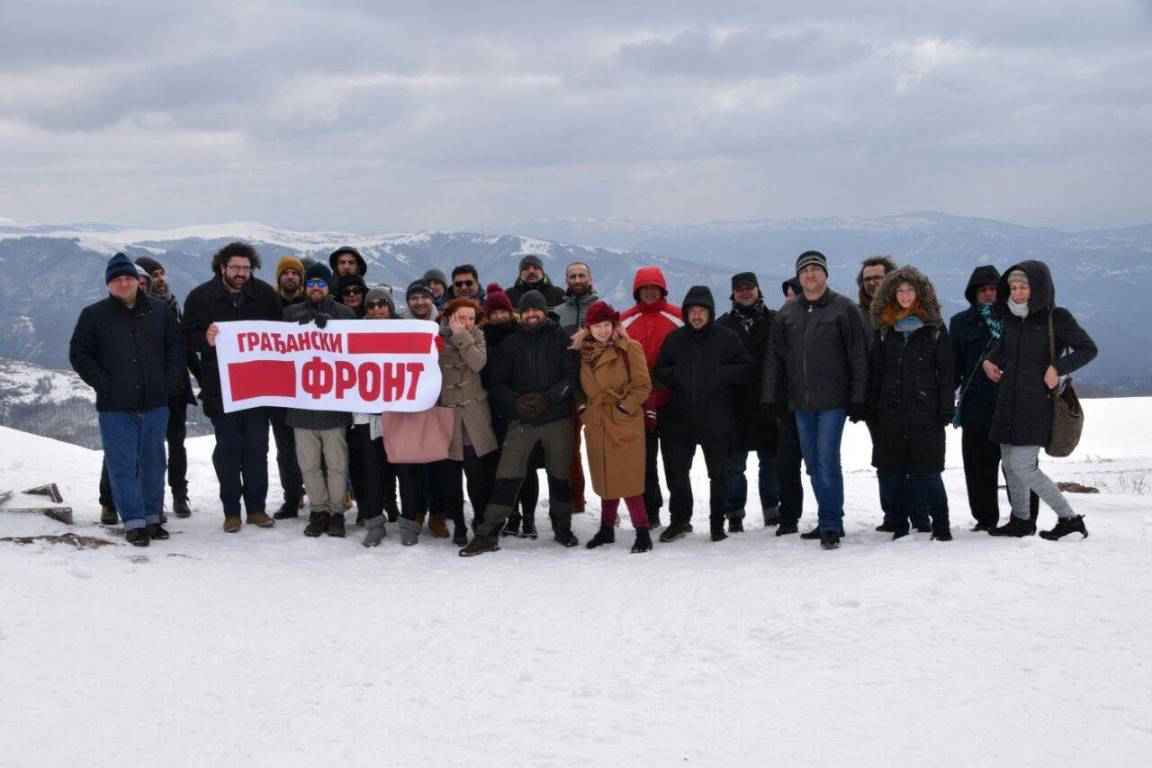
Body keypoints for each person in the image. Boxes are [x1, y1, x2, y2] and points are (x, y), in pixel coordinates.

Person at [70, 253, 186, 546]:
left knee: (154, 464)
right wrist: (104, 383)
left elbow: (176, 347)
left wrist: (168, 382)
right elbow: (79, 353)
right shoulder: (94, 315)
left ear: (138, 281)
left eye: (128, 278)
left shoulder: (160, 311)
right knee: (121, 465)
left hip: (155, 403)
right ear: (108, 284)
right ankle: (133, 522)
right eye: (117, 279)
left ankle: (151, 518)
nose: (123, 283)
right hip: (115, 406)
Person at [459, 289, 580, 556]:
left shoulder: (561, 338)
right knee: (506, 476)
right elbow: (496, 383)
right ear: (520, 314)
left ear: (544, 311)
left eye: (536, 310)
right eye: (526, 311)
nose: (531, 315)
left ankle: (562, 528)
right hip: (521, 420)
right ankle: (487, 534)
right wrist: (515, 401)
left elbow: (572, 377)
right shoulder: (511, 344)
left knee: (559, 477)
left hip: (556, 419)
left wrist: (548, 398)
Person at [982, 261, 1097, 540]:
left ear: (1039, 288)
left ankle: (1070, 519)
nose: (1017, 293)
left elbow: (1088, 349)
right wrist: (989, 361)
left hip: (1037, 402)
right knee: (1009, 464)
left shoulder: (1057, 317)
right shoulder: (1011, 316)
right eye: (1013, 287)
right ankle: (1021, 521)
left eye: (1024, 287)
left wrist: (1057, 367)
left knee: (1023, 465)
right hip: (1008, 399)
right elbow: (1004, 347)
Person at [762, 251, 868, 550]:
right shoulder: (788, 313)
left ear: (825, 274)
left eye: (815, 269)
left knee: (827, 461)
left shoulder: (843, 308)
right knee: (812, 464)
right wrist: (768, 396)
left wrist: (858, 397)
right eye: (805, 270)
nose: (810, 274)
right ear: (799, 277)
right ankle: (828, 518)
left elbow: (858, 357)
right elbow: (774, 359)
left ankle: (831, 523)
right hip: (799, 402)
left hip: (832, 400)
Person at [182, 241, 283, 532]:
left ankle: (257, 509)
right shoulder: (201, 296)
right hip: (221, 387)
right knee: (228, 449)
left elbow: (281, 333)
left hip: (258, 387)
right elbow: (185, 337)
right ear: (222, 268)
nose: (241, 273)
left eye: (246, 268)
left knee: (257, 449)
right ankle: (231, 511)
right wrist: (205, 340)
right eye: (236, 267)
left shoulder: (264, 294)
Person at [653, 286, 753, 542]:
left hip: (716, 418)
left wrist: (722, 373)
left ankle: (717, 524)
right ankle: (679, 521)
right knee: (677, 472)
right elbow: (659, 370)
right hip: (678, 418)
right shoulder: (675, 339)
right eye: (692, 311)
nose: (697, 316)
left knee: (718, 474)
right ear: (686, 313)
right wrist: (676, 375)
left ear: (710, 312)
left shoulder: (726, 338)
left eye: (702, 311)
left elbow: (746, 368)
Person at [866, 267, 954, 540]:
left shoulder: (934, 328)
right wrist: (871, 406)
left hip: (925, 411)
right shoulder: (885, 329)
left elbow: (947, 370)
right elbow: (876, 371)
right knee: (892, 471)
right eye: (900, 291)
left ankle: (941, 526)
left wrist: (946, 407)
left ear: (920, 293)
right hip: (890, 410)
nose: (904, 295)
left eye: (910, 290)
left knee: (928, 472)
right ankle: (899, 526)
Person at [950, 266, 1039, 531]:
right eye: (982, 290)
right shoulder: (960, 323)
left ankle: (1024, 518)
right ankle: (985, 518)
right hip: (976, 406)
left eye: (992, 289)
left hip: (1016, 405)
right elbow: (954, 366)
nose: (988, 294)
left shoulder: (1020, 317)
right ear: (973, 294)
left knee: (1021, 466)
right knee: (978, 468)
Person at [416, 297, 498, 547]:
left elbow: (478, 362)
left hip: (473, 416)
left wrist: (462, 335)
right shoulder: (434, 337)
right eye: (461, 317)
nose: (467, 322)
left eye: (471, 318)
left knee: (477, 476)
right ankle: (459, 524)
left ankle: (480, 520)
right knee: (450, 478)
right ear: (448, 317)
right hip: (446, 415)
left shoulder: (478, 336)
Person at [575, 301, 655, 553]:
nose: (602, 330)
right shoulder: (582, 352)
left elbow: (643, 385)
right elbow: (577, 387)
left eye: (606, 325)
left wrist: (624, 407)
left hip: (623, 421)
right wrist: (582, 409)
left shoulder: (629, 348)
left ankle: (642, 531)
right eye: (596, 326)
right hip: (597, 420)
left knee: (627, 478)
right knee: (605, 478)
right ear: (588, 328)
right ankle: (607, 529)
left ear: (614, 325)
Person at [283, 263, 356, 537]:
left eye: (320, 283)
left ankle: (337, 512)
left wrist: (332, 326)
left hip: (334, 404)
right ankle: (318, 510)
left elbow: (356, 350)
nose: (315, 288)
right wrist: (296, 324)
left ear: (328, 286)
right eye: (311, 283)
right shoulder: (290, 313)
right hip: (301, 404)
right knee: (309, 464)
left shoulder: (345, 314)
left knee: (337, 464)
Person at [133, 255, 201, 521]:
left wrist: (202, 377)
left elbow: (184, 347)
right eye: (154, 275)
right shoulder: (142, 309)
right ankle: (154, 499)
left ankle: (179, 494)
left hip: (177, 389)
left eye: (162, 273)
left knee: (176, 444)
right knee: (151, 447)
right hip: (152, 389)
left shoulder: (172, 304)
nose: (161, 279)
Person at [716, 272, 780, 531]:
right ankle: (734, 513)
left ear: (758, 290)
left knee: (771, 462)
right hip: (735, 405)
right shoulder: (722, 326)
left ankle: (772, 511)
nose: (745, 292)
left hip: (769, 401)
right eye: (740, 289)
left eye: (749, 288)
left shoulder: (776, 320)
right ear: (733, 294)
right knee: (733, 465)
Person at [620, 266, 683, 528]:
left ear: (662, 289)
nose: (648, 292)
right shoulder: (624, 321)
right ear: (636, 291)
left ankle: (681, 516)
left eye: (653, 287)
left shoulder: (678, 317)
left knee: (675, 462)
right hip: (639, 404)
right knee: (645, 462)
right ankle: (651, 512)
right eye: (643, 288)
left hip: (672, 402)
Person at [481, 284, 542, 538]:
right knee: (503, 468)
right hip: (493, 410)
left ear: (510, 312)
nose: (498, 317)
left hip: (522, 409)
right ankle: (512, 514)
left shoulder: (523, 334)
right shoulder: (482, 337)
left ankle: (529, 517)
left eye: (502, 312)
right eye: (493, 313)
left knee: (526, 466)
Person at [393, 280, 440, 538]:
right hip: (409, 405)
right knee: (413, 464)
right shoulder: (399, 326)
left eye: (424, 297)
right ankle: (417, 511)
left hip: (439, 403)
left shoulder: (443, 323)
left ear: (431, 299)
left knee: (438, 463)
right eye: (414, 298)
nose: (420, 302)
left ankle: (438, 513)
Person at [553, 260, 599, 515]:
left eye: (582, 275)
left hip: (598, 390)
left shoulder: (601, 309)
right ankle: (576, 500)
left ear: (590, 279)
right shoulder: (558, 313)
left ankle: (610, 502)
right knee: (570, 449)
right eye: (573, 276)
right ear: (567, 280)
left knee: (602, 448)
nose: (578, 280)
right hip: (569, 390)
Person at [357, 287, 401, 547]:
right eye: (371, 305)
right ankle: (374, 521)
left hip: (398, 410)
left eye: (381, 304)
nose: (376, 309)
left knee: (401, 466)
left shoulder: (405, 330)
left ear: (390, 307)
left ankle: (403, 515)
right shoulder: (354, 332)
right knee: (371, 467)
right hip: (366, 412)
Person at [267, 255, 307, 519]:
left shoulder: (311, 304)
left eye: (295, 273)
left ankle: (322, 495)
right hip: (278, 386)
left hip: (310, 386)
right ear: (279, 277)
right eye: (286, 273)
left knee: (314, 446)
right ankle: (292, 497)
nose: (290, 277)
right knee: (285, 449)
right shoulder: (268, 304)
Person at [770, 277, 806, 536]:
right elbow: (772, 364)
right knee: (786, 464)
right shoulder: (780, 323)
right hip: (787, 405)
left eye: (794, 294)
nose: (789, 299)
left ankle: (829, 518)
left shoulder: (825, 321)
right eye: (787, 295)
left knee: (820, 466)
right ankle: (789, 517)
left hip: (819, 404)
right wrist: (769, 398)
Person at [857, 256, 897, 344]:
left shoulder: (907, 312)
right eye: (867, 279)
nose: (871, 282)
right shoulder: (854, 315)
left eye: (877, 278)